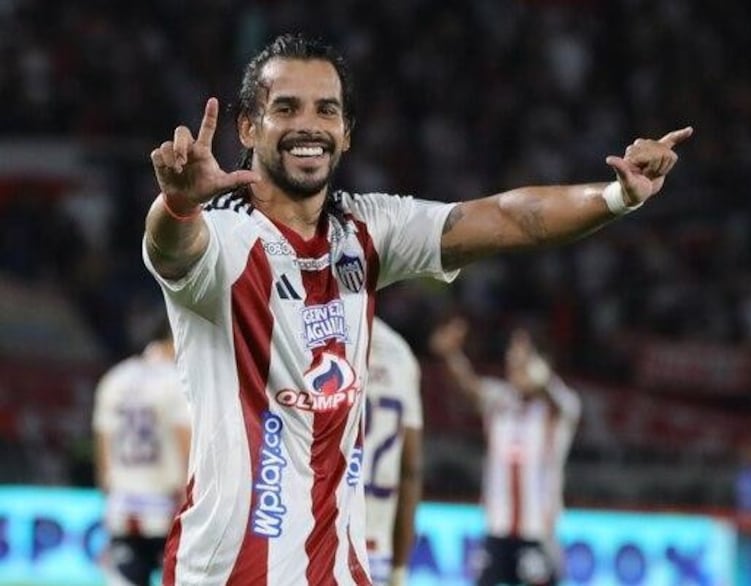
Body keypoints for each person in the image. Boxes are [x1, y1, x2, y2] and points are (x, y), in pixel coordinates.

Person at [142, 32, 691, 585]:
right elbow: (172, 249)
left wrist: (617, 196)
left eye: (326, 110)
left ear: (346, 132)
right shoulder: (224, 240)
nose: (309, 125)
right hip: (227, 573)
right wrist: (179, 205)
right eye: (286, 108)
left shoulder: (367, 228)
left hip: (340, 571)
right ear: (247, 127)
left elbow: (505, 217)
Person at [430, 317, 580, 586]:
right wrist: (451, 354)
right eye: (511, 355)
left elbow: (560, 402)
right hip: (496, 529)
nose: (513, 362)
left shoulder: (558, 406)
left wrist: (541, 377)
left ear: (540, 363)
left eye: (522, 356)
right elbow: (469, 386)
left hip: (536, 531)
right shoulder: (499, 399)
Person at [93, 319, 191, 586]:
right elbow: (185, 438)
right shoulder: (177, 379)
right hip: (168, 506)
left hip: (123, 505)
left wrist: (108, 492)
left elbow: (103, 444)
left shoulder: (115, 378)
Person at [363, 317, 423, 586]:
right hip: (376, 550)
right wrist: (399, 568)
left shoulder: (309, 333)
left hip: (317, 541)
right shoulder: (400, 352)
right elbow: (410, 468)